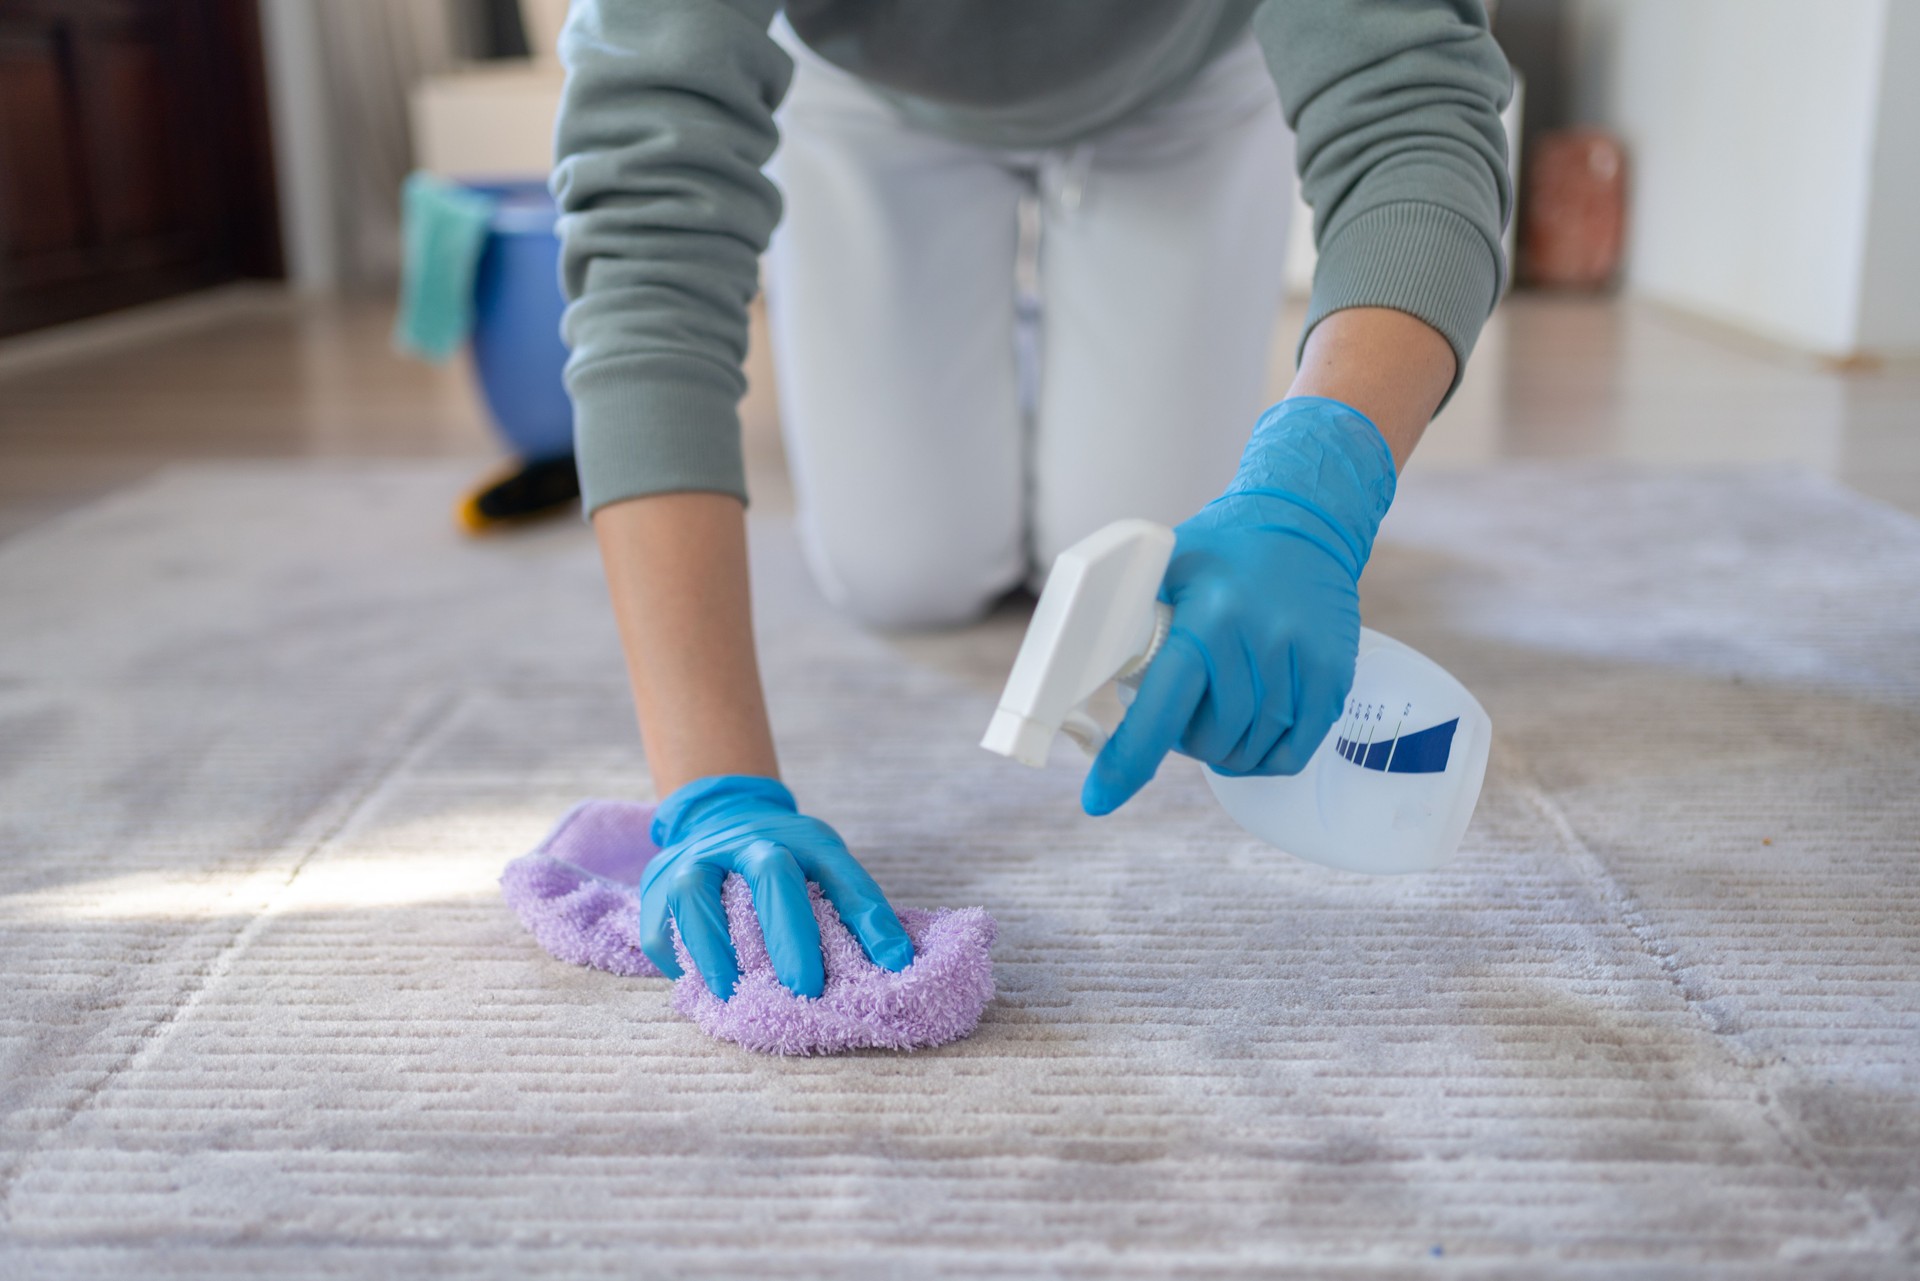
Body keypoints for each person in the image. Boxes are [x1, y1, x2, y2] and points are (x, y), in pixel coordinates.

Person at [551, 0, 1512, 1003]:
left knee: (1124, 563)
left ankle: (1044, 366)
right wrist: (713, 784)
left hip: (1180, 81)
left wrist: (1319, 481)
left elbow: (1412, 107)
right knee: (905, 570)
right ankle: (1014, 359)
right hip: (866, 90)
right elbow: (645, 226)